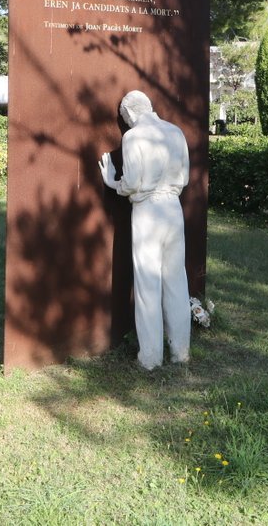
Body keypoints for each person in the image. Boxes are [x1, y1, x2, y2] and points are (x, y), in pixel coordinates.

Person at [98, 90, 191, 370]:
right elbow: (184, 176)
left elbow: (132, 184)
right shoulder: (176, 133)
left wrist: (111, 180)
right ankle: (180, 352)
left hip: (148, 211)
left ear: (129, 114)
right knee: (176, 281)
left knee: (147, 284)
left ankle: (150, 357)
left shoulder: (133, 137)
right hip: (173, 209)